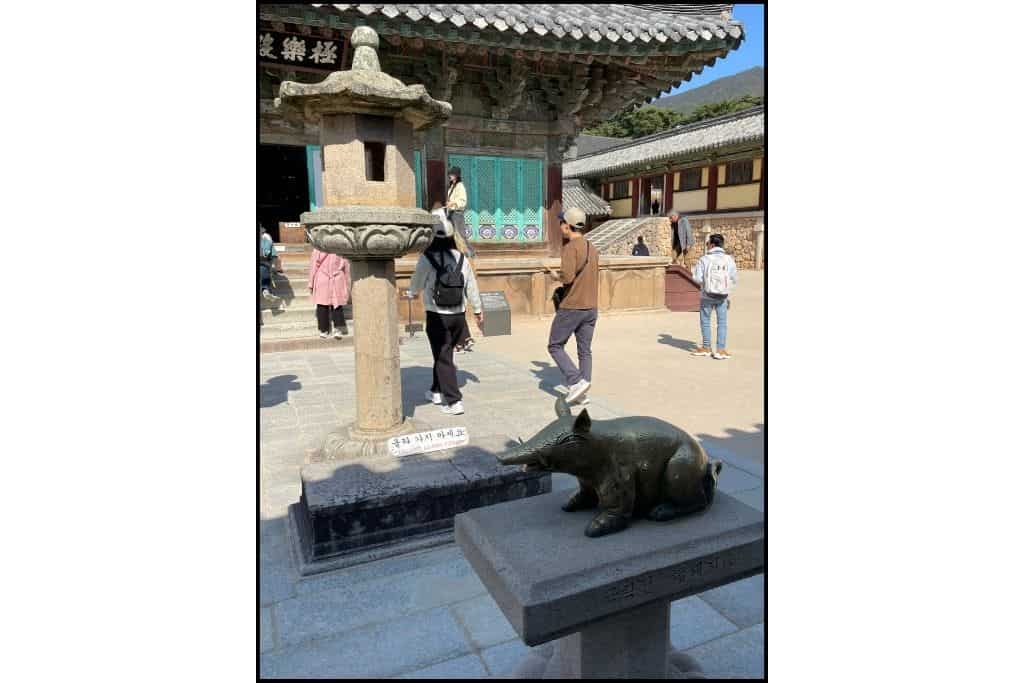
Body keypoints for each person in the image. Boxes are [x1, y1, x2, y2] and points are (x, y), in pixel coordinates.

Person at [408, 214, 483, 415]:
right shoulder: (461, 258)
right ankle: (436, 390)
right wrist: (477, 309)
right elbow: (471, 286)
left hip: (436, 314)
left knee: (443, 357)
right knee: (443, 354)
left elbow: (417, 281)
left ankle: (453, 401)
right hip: (458, 314)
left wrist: (412, 293)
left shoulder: (427, 257)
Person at [544, 207, 599, 405]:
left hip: (572, 305)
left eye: (561, 223)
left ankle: (575, 382)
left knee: (555, 345)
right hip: (591, 306)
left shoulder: (570, 248)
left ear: (567, 226)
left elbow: (567, 277)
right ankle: (582, 390)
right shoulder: (592, 247)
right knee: (585, 350)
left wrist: (554, 275)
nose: (560, 226)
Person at [433, 201, 478, 354]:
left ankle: (459, 341)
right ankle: (463, 340)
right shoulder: (461, 246)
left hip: (442, 295)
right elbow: (471, 282)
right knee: (459, 311)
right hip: (459, 289)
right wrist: (477, 308)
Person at [690, 233, 737, 360]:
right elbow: (733, 278)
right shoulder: (729, 259)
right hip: (723, 296)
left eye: (708, 243)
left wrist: (705, 283)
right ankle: (720, 350)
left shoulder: (704, 259)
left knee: (705, 321)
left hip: (707, 295)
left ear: (711, 244)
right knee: (722, 322)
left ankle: (706, 348)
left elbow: (697, 278)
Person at [309, 248, 351, 339]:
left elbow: (313, 266)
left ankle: (323, 330)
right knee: (337, 304)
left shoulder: (318, 248)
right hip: (337, 277)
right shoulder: (341, 247)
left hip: (322, 277)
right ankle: (338, 329)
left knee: (322, 304)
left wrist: (311, 283)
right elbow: (346, 267)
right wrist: (348, 284)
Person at [260, 224, 282, 305]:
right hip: (264, 262)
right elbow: (272, 253)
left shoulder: (266, 237)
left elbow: (271, 253)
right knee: (265, 275)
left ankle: (265, 290)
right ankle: (265, 290)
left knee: (264, 273)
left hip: (263, 262)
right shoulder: (266, 237)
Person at [446, 166, 467, 240]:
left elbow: (463, 201)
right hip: (451, 213)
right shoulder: (452, 186)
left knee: (460, 238)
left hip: (457, 214)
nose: (450, 176)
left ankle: (468, 252)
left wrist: (453, 203)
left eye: (452, 174)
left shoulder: (460, 186)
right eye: (449, 174)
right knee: (452, 238)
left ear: (456, 175)